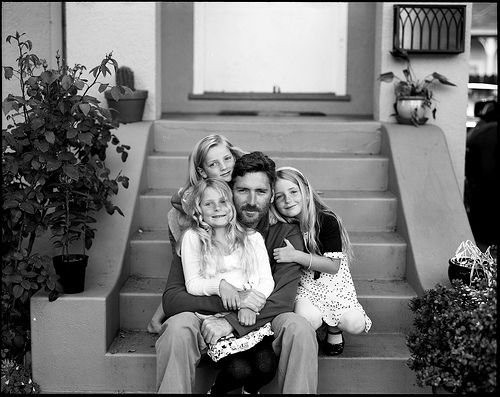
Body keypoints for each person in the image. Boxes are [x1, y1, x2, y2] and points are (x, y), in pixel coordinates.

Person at [155, 152, 318, 393]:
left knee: (300, 328)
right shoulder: (200, 233)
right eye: (243, 191)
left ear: (272, 194)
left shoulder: (284, 233)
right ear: (230, 190)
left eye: (261, 192)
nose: (252, 200)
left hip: (261, 323)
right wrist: (231, 301)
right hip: (206, 320)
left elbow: (282, 300)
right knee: (177, 327)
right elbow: (173, 298)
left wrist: (231, 322)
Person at [179, 177, 276, 394]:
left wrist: (251, 304)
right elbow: (193, 284)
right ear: (199, 210)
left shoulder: (252, 238)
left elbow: (266, 280)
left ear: (231, 205)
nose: (217, 208)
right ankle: (217, 391)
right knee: (238, 370)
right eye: (208, 204)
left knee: (266, 366)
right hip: (216, 318)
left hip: (251, 317)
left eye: (223, 202)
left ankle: (250, 391)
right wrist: (220, 285)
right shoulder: (193, 238)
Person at [147, 134, 246, 333]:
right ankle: (156, 320)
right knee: (189, 269)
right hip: (183, 225)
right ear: (202, 171)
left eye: (227, 159)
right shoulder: (196, 195)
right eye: (214, 164)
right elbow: (178, 199)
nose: (224, 167)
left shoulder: (239, 177)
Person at [271, 166, 372, 356]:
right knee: (308, 319)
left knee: (355, 323)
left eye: (293, 191)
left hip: (333, 283)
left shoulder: (326, 219)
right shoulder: (283, 225)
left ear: (307, 192)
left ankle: (334, 329)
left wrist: (295, 256)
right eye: (279, 196)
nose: (288, 199)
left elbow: (333, 266)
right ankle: (318, 327)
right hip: (306, 285)